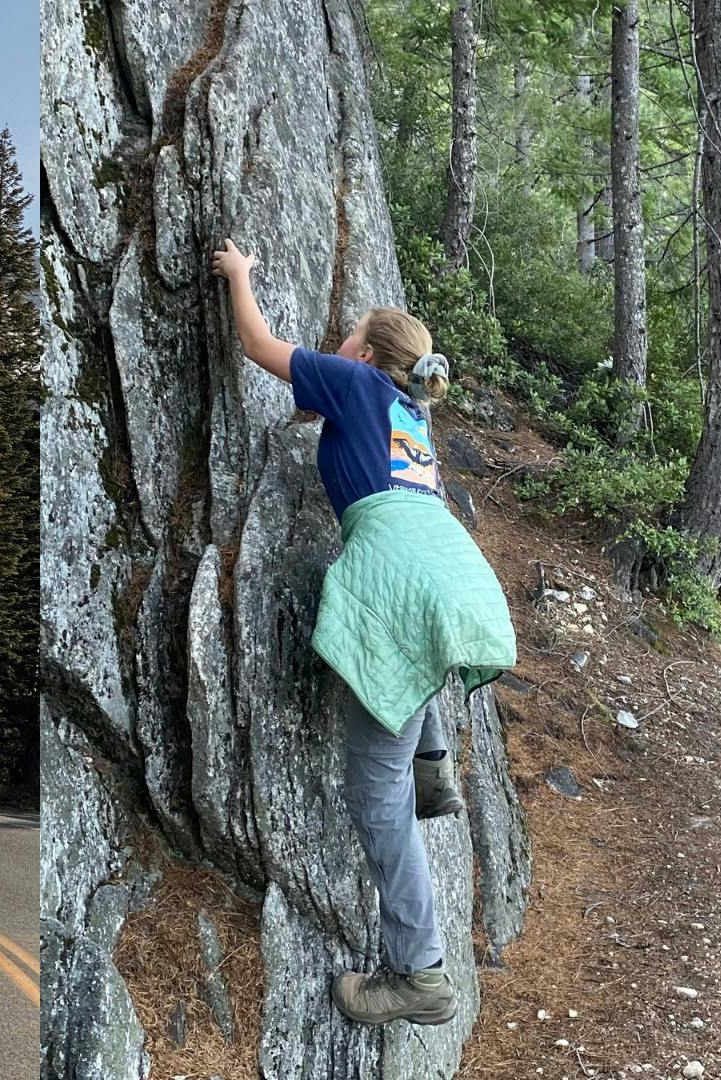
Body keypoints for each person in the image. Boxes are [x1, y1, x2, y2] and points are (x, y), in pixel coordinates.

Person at [211, 238, 517, 1026]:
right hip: (449, 562)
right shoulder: (412, 415)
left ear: (368, 351)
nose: (335, 340)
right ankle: (435, 766)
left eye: (345, 333)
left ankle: (420, 977)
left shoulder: (351, 380)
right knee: (422, 645)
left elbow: (256, 346)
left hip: (404, 574)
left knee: (372, 796)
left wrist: (242, 274)